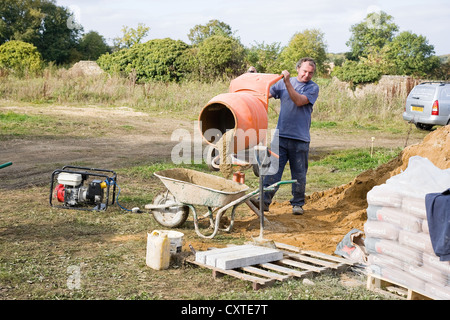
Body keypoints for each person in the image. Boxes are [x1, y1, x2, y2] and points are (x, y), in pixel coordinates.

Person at [251, 57, 319, 215]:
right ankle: (264, 201)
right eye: (304, 71)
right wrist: (254, 78)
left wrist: (287, 82)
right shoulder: (281, 83)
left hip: (300, 138)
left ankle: (298, 204)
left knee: (299, 173)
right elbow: (263, 94)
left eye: (311, 73)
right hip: (281, 136)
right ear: (298, 69)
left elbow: (299, 101)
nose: (307, 75)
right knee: (272, 170)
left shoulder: (312, 88)